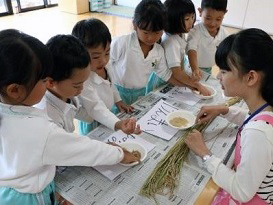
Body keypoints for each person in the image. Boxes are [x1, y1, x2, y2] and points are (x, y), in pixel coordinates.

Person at [0, 29, 139, 205]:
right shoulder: (39, 128)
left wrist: (117, 124)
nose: (81, 89)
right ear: (14, 90)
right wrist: (119, 154)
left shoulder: (10, 111)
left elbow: (91, 108)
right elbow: (81, 149)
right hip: (28, 197)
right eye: (43, 80)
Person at [185, 28, 273, 204]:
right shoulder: (265, 107)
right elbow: (251, 118)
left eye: (224, 72)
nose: (218, 76)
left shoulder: (258, 134)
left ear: (250, 78)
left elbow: (242, 191)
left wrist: (204, 154)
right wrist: (223, 110)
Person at [35, 34, 140, 135]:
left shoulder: (66, 93)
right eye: (77, 85)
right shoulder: (48, 117)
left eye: (107, 53)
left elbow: (96, 103)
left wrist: (117, 121)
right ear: (50, 82)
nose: (81, 89)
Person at [109, 0, 194, 105]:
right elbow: (105, 66)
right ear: (135, 25)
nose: (151, 38)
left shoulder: (158, 51)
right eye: (146, 32)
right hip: (117, 93)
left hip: (139, 93)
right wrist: (116, 98)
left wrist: (190, 85)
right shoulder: (122, 43)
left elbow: (166, 75)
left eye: (157, 33)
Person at [72, 18, 134, 136]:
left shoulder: (106, 66)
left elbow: (111, 85)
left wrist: (118, 100)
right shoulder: (83, 80)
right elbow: (95, 107)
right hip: (93, 120)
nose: (104, 60)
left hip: (109, 115)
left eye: (107, 53)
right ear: (80, 54)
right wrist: (117, 123)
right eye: (95, 57)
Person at [161, 0, 210, 96]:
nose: (191, 22)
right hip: (167, 80)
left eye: (192, 17)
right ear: (173, 20)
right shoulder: (171, 42)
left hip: (176, 76)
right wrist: (197, 86)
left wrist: (194, 70)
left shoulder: (180, 32)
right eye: (187, 19)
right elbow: (177, 73)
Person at [186, 0, 229, 80]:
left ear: (224, 14)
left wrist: (222, 70)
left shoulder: (224, 33)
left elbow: (227, 53)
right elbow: (191, 49)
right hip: (191, 67)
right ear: (200, 12)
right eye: (208, 18)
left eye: (218, 19)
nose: (213, 23)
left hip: (208, 68)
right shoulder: (195, 31)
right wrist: (195, 69)